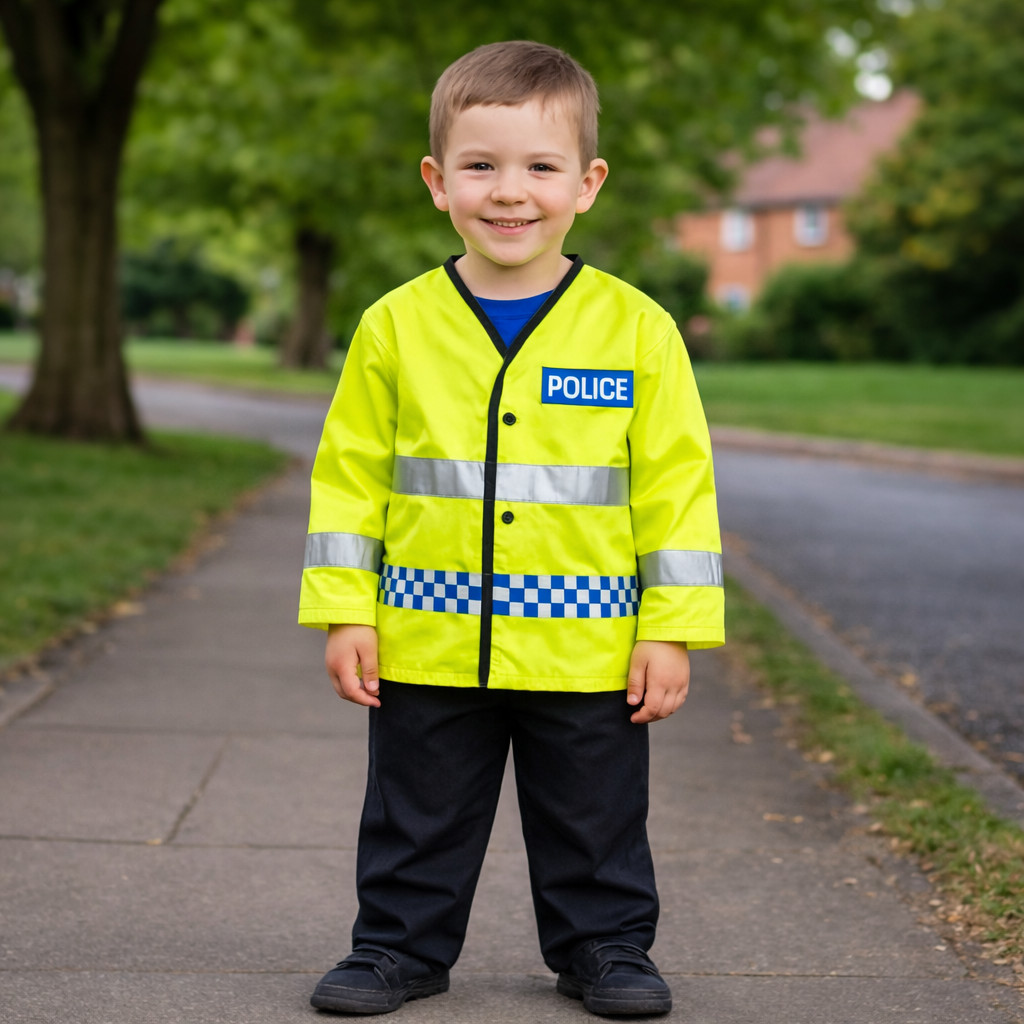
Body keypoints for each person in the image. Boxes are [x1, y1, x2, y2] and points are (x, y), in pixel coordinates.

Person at [298, 39, 724, 1017]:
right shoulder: (394, 325)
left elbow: (676, 490)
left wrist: (670, 627)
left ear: (588, 183)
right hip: (425, 641)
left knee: (595, 818)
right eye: (480, 166)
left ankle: (606, 948)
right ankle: (396, 948)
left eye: (540, 167)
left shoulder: (635, 329)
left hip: (588, 647)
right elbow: (349, 479)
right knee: (414, 815)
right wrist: (343, 610)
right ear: (436, 180)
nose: (509, 192)